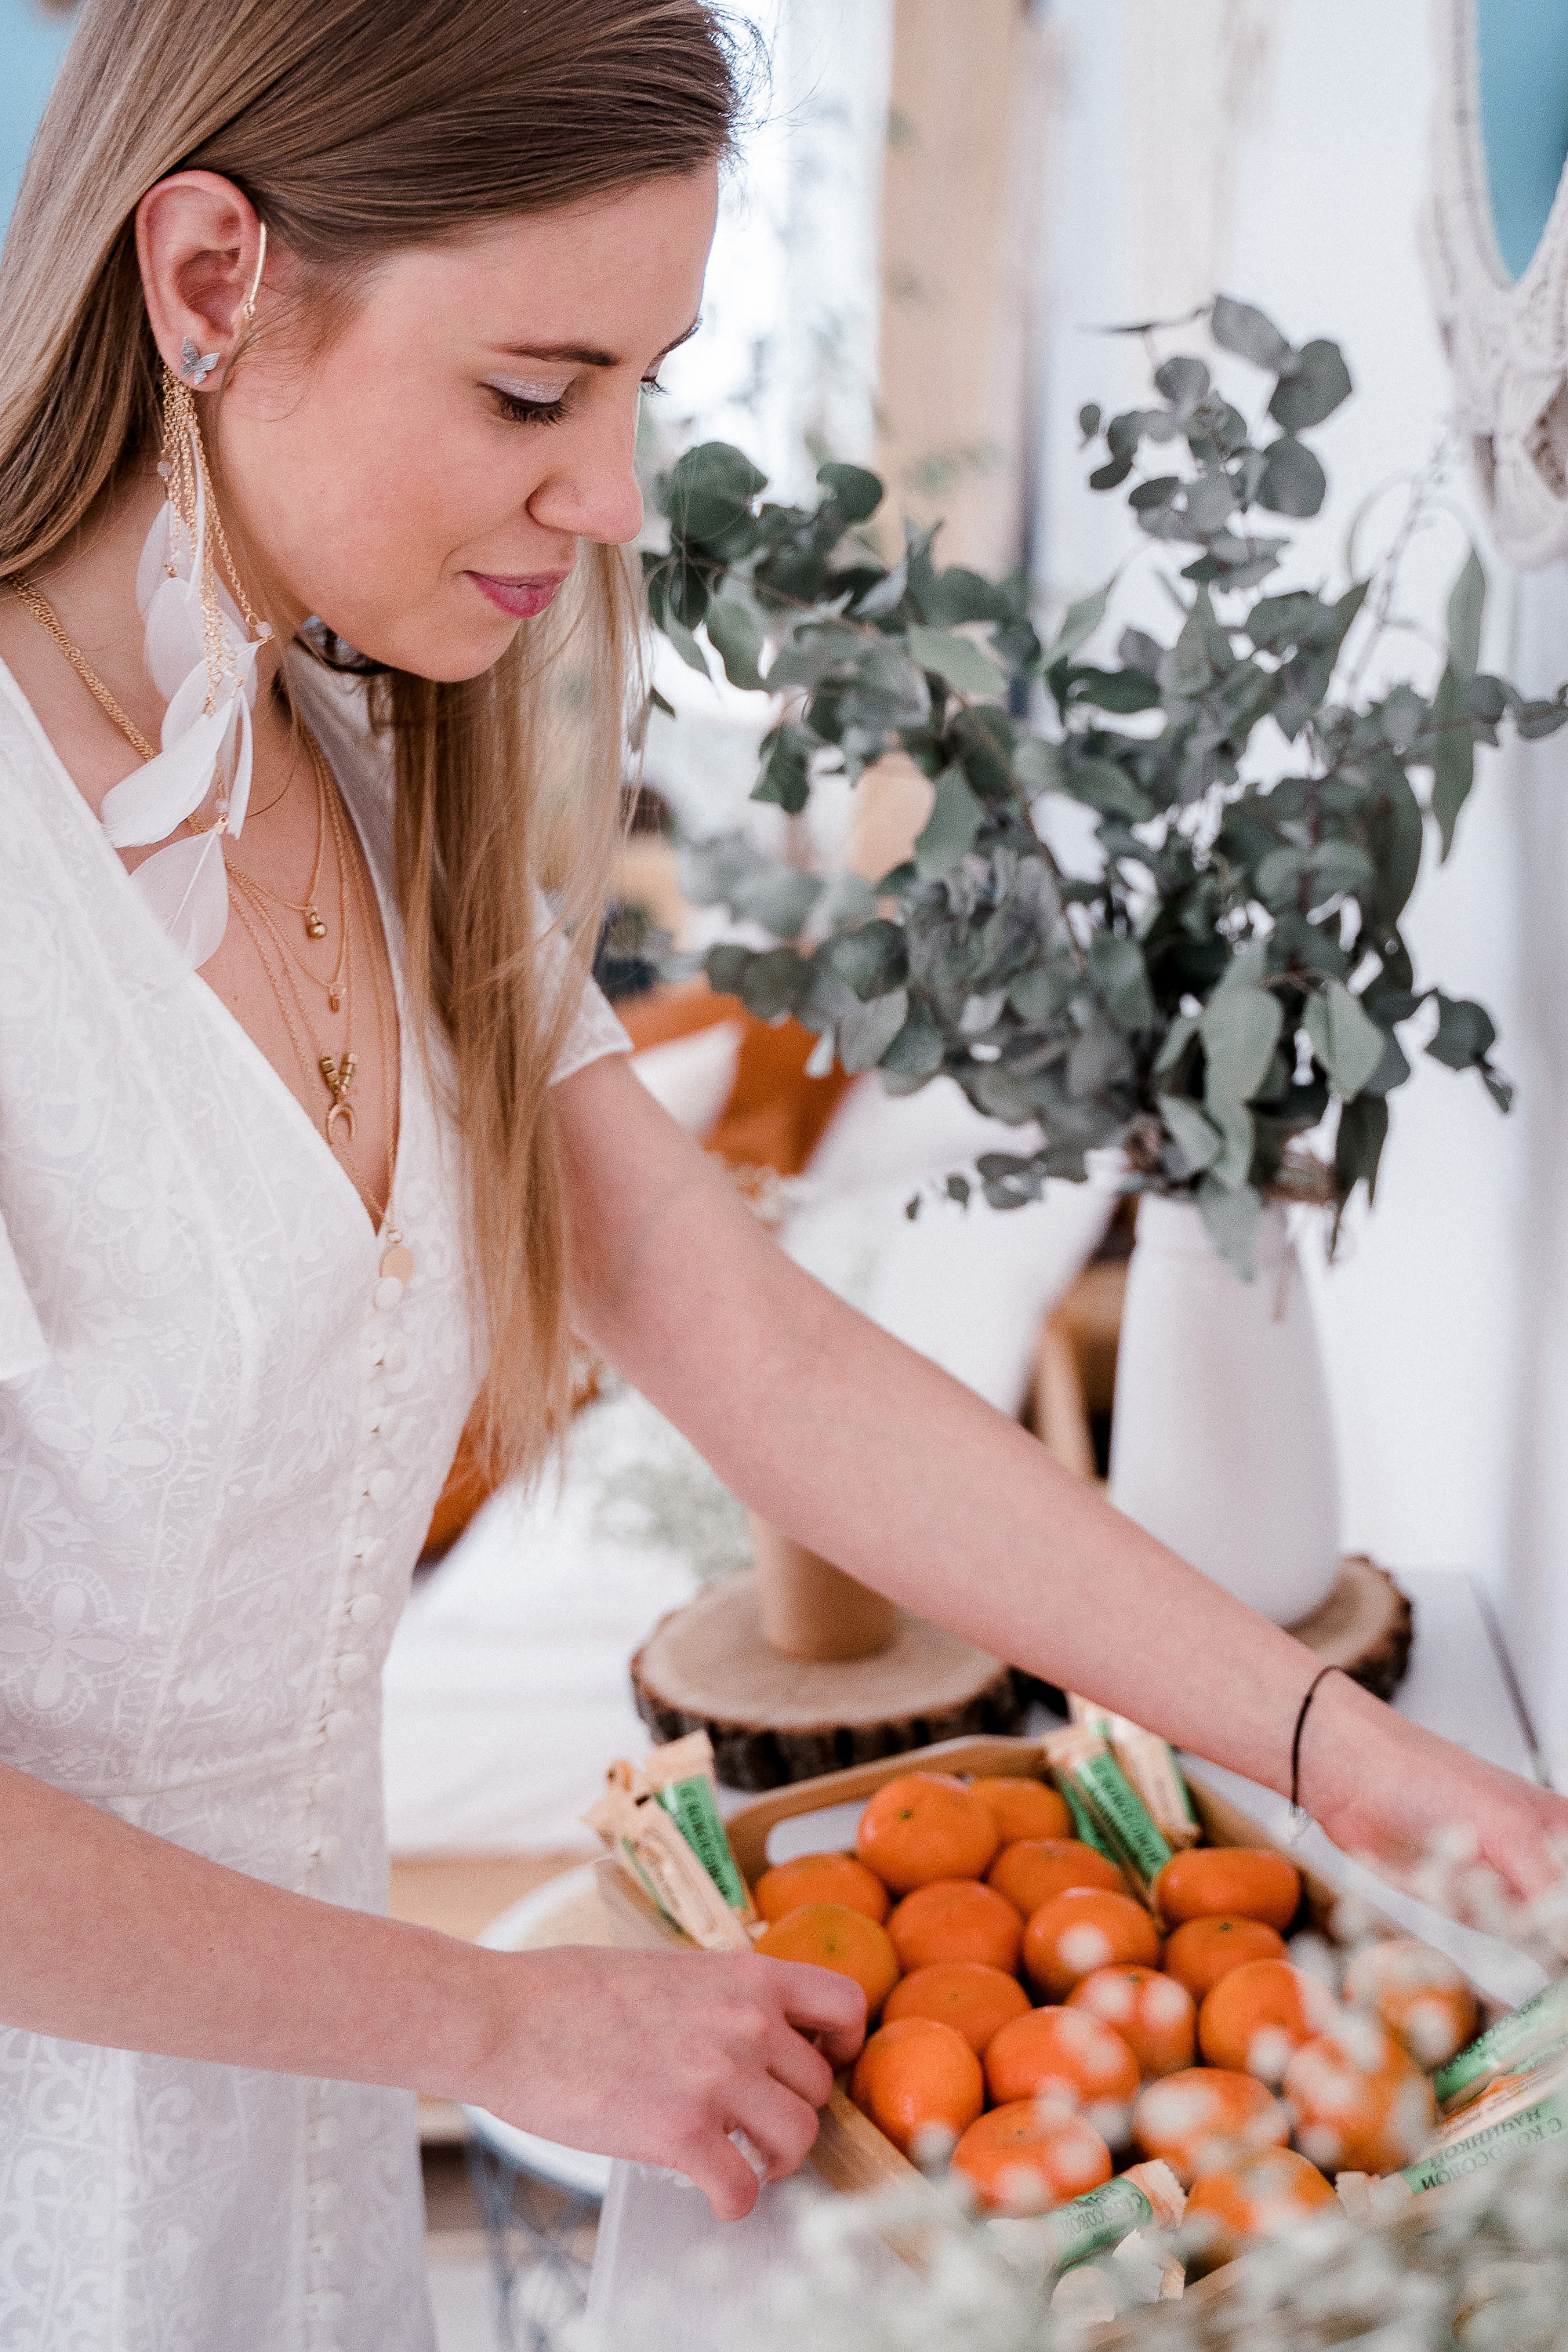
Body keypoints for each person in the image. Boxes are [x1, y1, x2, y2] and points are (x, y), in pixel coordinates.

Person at [0, 1, 1564, 2343]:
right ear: (212, 277)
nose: (619, 492)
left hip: (282, 2120)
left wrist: (1347, 1753)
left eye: (644, 383)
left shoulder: (352, 766)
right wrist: (497, 2023)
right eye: (538, 392)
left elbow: (757, 1349)